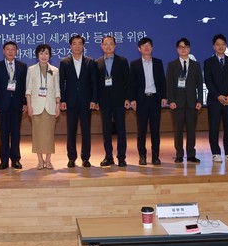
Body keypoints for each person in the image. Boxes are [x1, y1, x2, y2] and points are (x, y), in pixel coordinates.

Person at [59, 34, 98, 168]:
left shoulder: (90, 62)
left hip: (86, 101)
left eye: (80, 43)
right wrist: (62, 100)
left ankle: (85, 158)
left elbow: (94, 83)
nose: (77, 46)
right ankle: (71, 158)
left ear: (83, 46)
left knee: (86, 130)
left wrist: (94, 99)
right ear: (70, 46)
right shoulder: (64, 62)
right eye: (74, 44)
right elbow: (61, 83)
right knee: (71, 130)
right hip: (70, 102)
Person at [94, 35, 132, 167]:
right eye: (105, 44)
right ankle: (108, 157)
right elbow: (95, 84)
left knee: (121, 129)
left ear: (115, 46)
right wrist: (95, 100)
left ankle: (121, 157)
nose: (108, 46)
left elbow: (128, 81)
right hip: (104, 101)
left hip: (119, 100)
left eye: (111, 44)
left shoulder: (122, 61)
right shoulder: (97, 63)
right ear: (101, 46)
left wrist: (128, 98)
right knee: (106, 130)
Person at [0, 41, 28, 170]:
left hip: (17, 104)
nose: (10, 51)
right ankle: (4, 160)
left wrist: (25, 103)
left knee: (16, 133)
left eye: (13, 49)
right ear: (3, 51)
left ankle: (15, 159)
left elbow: (25, 86)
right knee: (4, 133)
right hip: (2, 105)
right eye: (8, 49)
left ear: (16, 51)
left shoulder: (22, 66)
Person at [165, 38, 204, 164]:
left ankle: (191, 154)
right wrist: (171, 100)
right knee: (178, 130)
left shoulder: (196, 65)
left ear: (189, 49)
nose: (183, 49)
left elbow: (199, 84)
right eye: (181, 47)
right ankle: (179, 154)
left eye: (186, 47)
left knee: (191, 130)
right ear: (177, 49)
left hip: (192, 103)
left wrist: (200, 100)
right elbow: (169, 84)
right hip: (177, 103)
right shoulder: (172, 65)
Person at [129, 37, 167, 165]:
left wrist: (164, 97)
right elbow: (132, 84)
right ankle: (142, 156)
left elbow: (162, 81)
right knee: (142, 130)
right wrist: (133, 99)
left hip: (155, 99)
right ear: (139, 49)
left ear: (152, 48)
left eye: (148, 45)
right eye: (143, 46)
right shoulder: (134, 64)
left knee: (155, 129)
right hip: (142, 100)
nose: (146, 48)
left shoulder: (158, 63)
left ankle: (155, 156)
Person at [203, 33, 228, 162]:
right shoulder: (208, 62)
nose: (220, 46)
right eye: (217, 44)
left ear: (226, 46)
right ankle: (215, 153)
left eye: (223, 44)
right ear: (214, 46)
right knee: (214, 127)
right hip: (214, 100)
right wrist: (218, 96)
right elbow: (208, 81)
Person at [25, 43, 61, 169]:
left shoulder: (54, 70)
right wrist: (29, 105)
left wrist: (58, 105)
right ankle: (40, 160)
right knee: (38, 135)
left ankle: (48, 160)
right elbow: (28, 90)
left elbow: (57, 89)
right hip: (36, 106)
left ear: (50, 55)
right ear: (37, 55)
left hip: (50, 106)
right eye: (41, 53)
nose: (44, 56)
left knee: (49, 135)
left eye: (46, 53)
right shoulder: (31, 70)